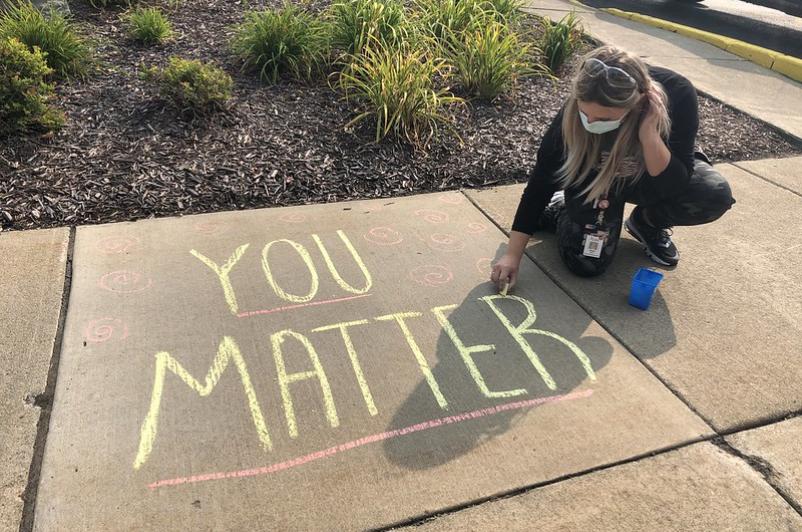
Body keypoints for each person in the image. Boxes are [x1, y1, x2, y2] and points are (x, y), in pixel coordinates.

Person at [491, 45, 735, 289]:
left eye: (604, 119)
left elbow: (674, 184)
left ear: (638, 103)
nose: (590, 123)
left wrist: (649, 133)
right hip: (597, 179)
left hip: (652, 172)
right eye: (585, 114)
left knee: (712, 193)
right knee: (586, 262)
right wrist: (513, 255)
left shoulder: (678, 92)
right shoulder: (575, 115)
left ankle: (647, 223)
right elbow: (539, 185)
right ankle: (561, 208)